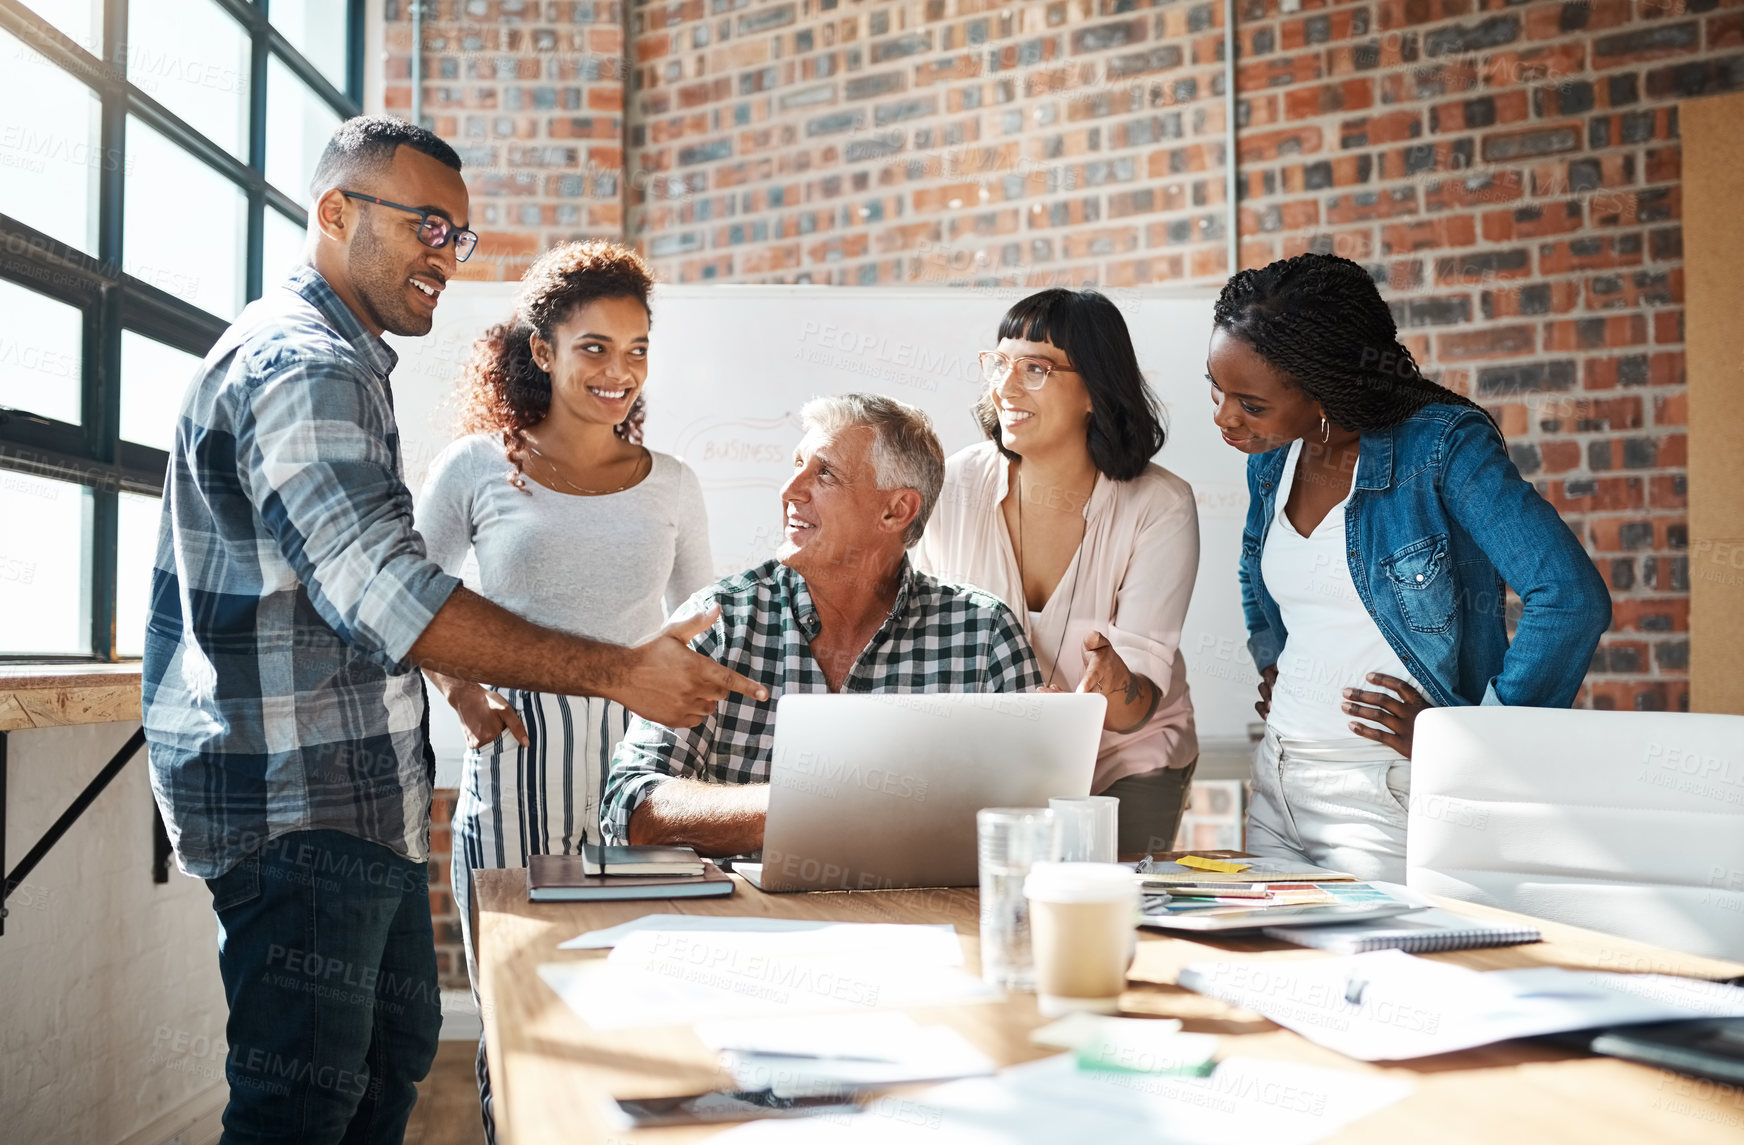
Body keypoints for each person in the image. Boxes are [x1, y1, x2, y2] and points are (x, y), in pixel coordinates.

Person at [142, 116, 763, 1145]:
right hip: (296, 803)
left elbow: (377, 598)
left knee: (382, 1076)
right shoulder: (304, 365)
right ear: (335, 212)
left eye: (457, 234)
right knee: (303, 1109)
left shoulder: (348, 360)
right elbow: (392, 590)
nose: (445, 252)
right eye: (425, 223)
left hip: (359, 801)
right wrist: (612, 673)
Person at [414, 240, 711, 1141]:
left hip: (642, 772)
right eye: (594, 347)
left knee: (637, 1008)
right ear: (542, 350)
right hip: (515, 764)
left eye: (637, 349)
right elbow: (411, 603)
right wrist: (466, 698)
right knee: (525, 1016)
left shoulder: (675, 485)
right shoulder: (476, 468)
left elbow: (705, 619)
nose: (618, 371)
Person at [1209, 252, 1611, 882]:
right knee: (1274, 971)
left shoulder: (1441, 449)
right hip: (1276, 783)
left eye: (1250, 404)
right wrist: (1276, 662)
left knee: (1380, 974)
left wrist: (1477, 740)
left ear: (1324, 387)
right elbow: (1254, 576)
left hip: (1382, 796)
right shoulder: (1273, 458)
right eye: (1219, 390)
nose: (1225, 417)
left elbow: (1568, 596)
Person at [600, 393, 1042, 856]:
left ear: (896, 510)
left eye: (824, 472)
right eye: (796, 464)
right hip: (748, 924)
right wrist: (805, 807)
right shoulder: (720, 621)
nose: (789, 490)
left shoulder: (983, 634)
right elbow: (630, 811)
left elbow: (1037, 826)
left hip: (924, 921)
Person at [914, 288, 1201, 855]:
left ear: (1095, 388)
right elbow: (926, 638)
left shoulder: (1160, 505)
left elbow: (1132, 705)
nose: (1006, 386)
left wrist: (1106, 681)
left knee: (1114, 898)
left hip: (1125, 754)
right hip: (993, 752)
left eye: (1037, 368)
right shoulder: (953, 486)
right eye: (1000, 363)